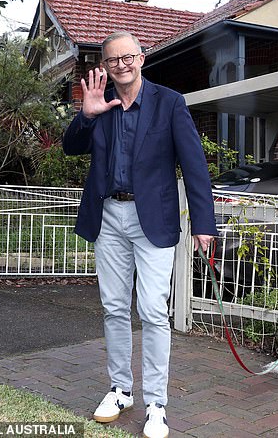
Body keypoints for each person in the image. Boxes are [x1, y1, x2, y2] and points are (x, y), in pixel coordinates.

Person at [62, 31, 217, 438]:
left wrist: (203, 224)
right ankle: (119, 390)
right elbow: (70, 148)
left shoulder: (169, 103)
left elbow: (194, 165)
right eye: (113, 60)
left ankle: (157, 404)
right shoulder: (101, 104)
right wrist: (87, 115)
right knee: (113, 307)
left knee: (151, 310)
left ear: (142, 59)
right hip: (109, 215)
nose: (121, 65)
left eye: (127, 57)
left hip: (154, 219)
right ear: (106, 66)